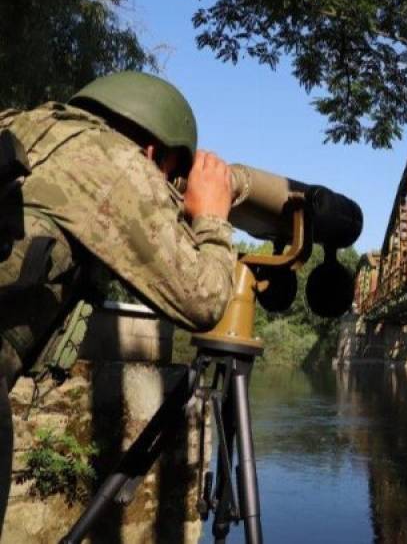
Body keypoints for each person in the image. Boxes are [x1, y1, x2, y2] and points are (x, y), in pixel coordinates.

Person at [0, 70, 237, 529]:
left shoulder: (24, 124)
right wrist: (211, 218)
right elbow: (204, 300)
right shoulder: (118, 160)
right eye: (171, 175)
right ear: (153, 151)